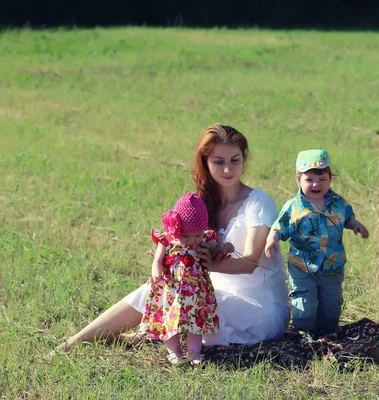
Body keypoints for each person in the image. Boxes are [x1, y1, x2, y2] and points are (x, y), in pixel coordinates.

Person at [59, 123, 290, 352]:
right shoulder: (200, 204)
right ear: (205, 162)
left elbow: (250, 262)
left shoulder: (259, 202)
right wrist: (165, 258)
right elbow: (176, 242)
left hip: (259, 308)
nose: (228, 169)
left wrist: (212, 263)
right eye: (219, 162)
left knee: (189, 298)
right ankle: (77, 341)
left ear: (244, 159)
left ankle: (100, 340)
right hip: (210, 292)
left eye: (235, 160)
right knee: (158, 287)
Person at [264, 149, 369, 339]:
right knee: (304, 300)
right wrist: (272, 239)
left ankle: (328, 332)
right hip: (302, 265)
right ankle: (304, 332)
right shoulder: (294, 207)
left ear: (330, 179)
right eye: (309, 179)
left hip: (332, 263)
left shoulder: (338, 203)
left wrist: (356, 225)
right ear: (298, 181)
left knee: (331, 300)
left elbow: (347, 218)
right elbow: (279, 227)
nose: (316, 184)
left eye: (322, 179)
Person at [140, 192, 227, 365]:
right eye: (186, 236)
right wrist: (156, 269)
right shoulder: (167, 240)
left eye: (197, 235)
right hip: (171, 288)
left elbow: (217, 248)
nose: (192, 240)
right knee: (169, 320)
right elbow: (158, 259)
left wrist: (225, 248)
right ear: (176, 228)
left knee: (195, 320)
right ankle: (175, 352)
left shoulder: (204, 237)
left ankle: (195, 353)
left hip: (196, 291)